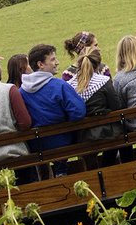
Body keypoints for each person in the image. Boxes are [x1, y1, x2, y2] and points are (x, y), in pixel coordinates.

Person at [20, 44, 87, 177]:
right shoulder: (59, 85)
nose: (57, 63)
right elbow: (78, 111)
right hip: (62, 141)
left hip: (37, 146)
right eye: (52, 59)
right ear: (40, 64)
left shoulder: (22, 91)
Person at [70, 46, 128, 166]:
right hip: (106, 133)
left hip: (82, 136)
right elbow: (116, 106)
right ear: (98, 64)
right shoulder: (104, 82)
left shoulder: (69, 85)